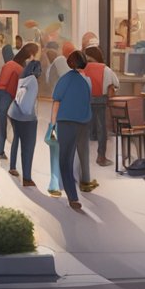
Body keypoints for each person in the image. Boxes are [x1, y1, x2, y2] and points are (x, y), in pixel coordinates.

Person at [50, 49, 94, 211]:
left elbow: (56, 102)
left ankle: (72, 197)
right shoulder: (86, 81)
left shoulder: (64, 80)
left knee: (65, 161)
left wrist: (52, 125)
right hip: (83, 123)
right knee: (77, 156)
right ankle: (76, 188)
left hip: (67, 123)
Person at [8, 55, 42, 187]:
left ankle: (12, 166)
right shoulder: (33, 81)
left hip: (14, 113)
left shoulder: (23, 78)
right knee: (28, 147)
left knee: (16, 139)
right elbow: (27, 104)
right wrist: (30, 116)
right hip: (26, 118)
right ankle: (27, 178)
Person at [84, 46, 119, 168]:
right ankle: (101, 157)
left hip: (85, 101)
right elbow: (115, 84)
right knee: (101, 128)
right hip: (100, 101)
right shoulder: (106, 69)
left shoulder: (81, 68)